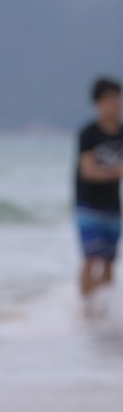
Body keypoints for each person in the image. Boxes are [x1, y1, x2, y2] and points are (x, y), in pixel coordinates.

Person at [75, 76, 123, 298]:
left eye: (117, 98)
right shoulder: (89, 133)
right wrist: (117, 172)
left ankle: (106, 309)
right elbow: (88, 171)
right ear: (98, 103)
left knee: (109, 261)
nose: (115, 104)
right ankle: (86, 308)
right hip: (88, 204)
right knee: (91, 258)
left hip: (113, 205)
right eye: (109, 99)